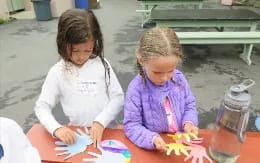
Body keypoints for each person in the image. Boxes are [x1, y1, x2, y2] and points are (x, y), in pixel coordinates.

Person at [34, 9, 124, 147]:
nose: (81, 56)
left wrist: (101, 121)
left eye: (88, 50)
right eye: (75, 50)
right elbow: (41, 106)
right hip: (78, 135)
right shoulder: (57, 71)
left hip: (106, 130)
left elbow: (118, 97)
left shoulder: (102, 65)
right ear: (62, 43)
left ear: (96, 42)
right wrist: (56, 128)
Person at [123, 27, 199, 152]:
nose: (164, 78)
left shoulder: (179, 79)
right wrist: (151, 139)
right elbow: (131, 125)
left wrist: (189, 122)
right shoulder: (136, 89)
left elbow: (189, 105)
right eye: (157, 72)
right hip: (157, 145)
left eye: (170, 70)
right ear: (142, 61)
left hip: (181, 141)